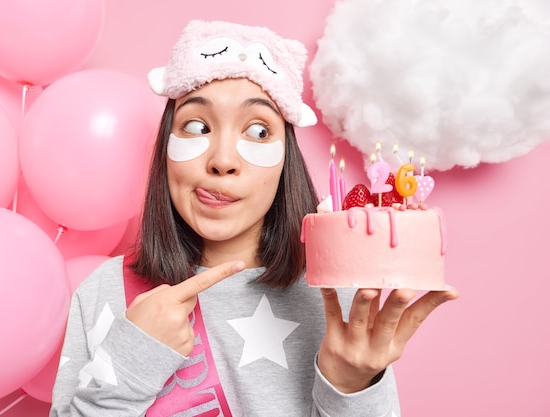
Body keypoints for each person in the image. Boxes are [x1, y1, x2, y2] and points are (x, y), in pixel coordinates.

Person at [50, 19, 459, 417]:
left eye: (259, 132)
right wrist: (130, 362)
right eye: (196, 125)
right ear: (164, 148)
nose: (223, 161)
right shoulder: (104, 292)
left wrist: (352, 389)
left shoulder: (337, 298)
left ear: (286, 160)